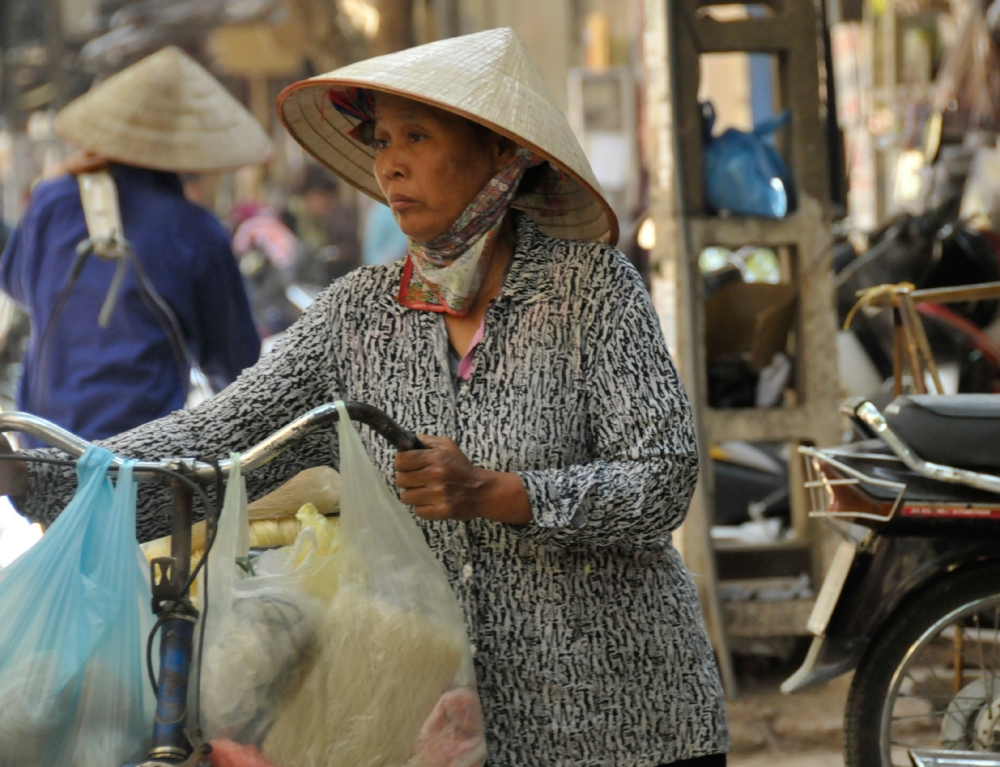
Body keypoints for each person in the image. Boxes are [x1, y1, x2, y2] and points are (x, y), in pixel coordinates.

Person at [1, 28, 729, 767]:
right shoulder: (357, 315)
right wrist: (44, 474)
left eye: (418, 135)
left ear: (504, 158)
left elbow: (661, 478)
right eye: (382, 140)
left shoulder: (594, 291)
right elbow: (220, 439)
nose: (392, 163)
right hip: (457, 736)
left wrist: (499, 492)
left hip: (630, 720)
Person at [0, 46, 265, 445]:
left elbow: (18, 286)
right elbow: (234, 366)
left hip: (43, 456)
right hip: (141, 468)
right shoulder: (196, 231)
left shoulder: (51, 201)